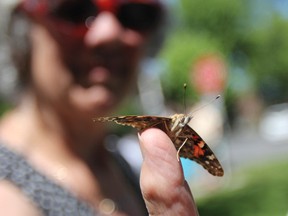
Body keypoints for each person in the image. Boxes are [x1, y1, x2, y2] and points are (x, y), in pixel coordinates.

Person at [0, 0, 199, 215]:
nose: (109, 33)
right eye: (74, 11)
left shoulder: (123, 165)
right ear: (21, 29)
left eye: (135, 15)